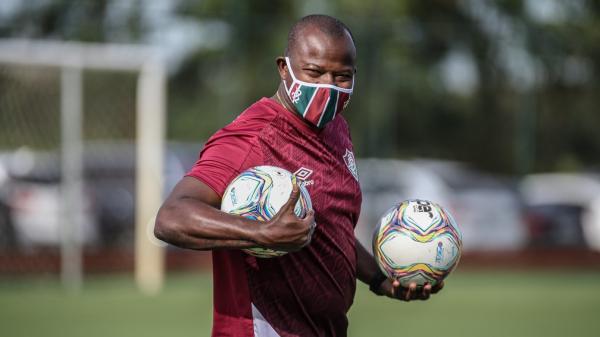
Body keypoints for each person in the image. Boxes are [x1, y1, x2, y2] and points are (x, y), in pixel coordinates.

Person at [155, 14, 443, 337]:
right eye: (315, 72)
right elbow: (171, 217)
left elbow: (332, 229)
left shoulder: (336, 128)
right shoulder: (251, 138)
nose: (328, 87)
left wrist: (379, 279)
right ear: (284, 67)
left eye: (342, 76)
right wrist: (261, 232)